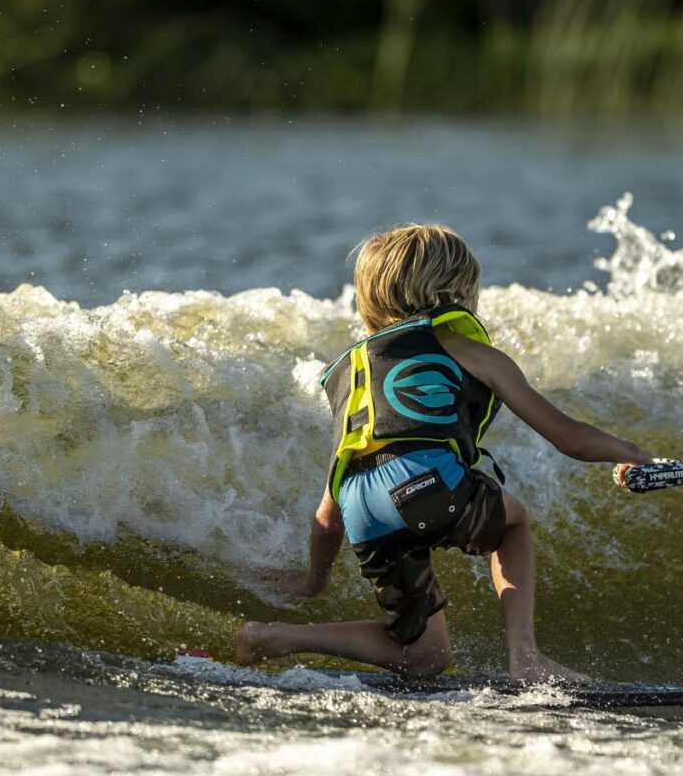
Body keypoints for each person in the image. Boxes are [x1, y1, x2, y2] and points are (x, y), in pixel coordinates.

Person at [236, 224, 652, 683]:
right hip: (427, 484)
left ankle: (274, 637)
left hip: (360, 508)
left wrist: (314, 580)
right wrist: (629, 451)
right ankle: (526, 658)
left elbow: (330, 503)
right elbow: (568, 438)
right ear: (456, 289)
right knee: (512, 524)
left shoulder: (356, 374)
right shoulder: (467, 350)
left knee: (425, 658)